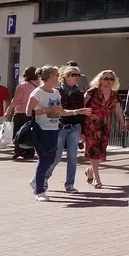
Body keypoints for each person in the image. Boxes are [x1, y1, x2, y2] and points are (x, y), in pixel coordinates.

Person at [45, 65, 91, 193]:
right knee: (56, 157)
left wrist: (83, 130)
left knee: (73, 158)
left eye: (78, 75)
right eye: (73, 75)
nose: (77, 77)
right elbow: (58, 112)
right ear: (64, 77)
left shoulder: (79, 93)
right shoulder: (57, 91)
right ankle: (43, 178)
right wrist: (77, 112)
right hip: (60, 127)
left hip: (75, 127)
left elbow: (82, 113)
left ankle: (69, 184)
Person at [25, 66, 63, 201]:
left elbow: (61, 110)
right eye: (57, 75)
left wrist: (78, 111)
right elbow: (29, 112)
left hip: (54, 128)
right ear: (50, 76)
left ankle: (36, 181)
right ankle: (39, 191)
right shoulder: (37, 92)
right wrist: (47, 110)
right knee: (44, 159)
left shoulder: (56, 92)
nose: (58, 78)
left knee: (52, 159)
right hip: (41, 130)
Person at [83, 70, 125, 189]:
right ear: (100, 79)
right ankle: (97, 178)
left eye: (111, 79)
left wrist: (122, 122)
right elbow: (82, 105)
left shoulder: (114, 95)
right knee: (94, 151)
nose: (108, 81)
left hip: (105, 124)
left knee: (101, 152)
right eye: (105, 78)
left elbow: (117, 109)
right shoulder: (92, 92)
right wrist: (88, 115)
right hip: (91, 125)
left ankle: (91, 171)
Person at [5, 67, 41, 160]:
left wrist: (8, 110)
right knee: (31, 132)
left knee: (19, 132)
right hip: (34, 112)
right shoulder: (40, 85)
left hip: (21, 112)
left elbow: (16, 100)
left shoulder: (22, 85)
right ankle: (30, 151)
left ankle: (19, 151)